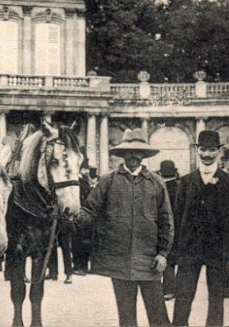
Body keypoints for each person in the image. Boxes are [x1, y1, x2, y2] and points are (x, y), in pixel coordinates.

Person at [76, 128, 173, 327]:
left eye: (138, 152)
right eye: (129, 151)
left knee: (158, 316)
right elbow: (89, 210)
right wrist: (70, 217)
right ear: (123, 153)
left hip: (149, 261)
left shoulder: (156, 183)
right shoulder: (108, 180)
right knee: (126, 317)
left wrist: (163, 253)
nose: (133, 156)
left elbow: (166, 220)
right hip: (119, 263)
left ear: (144, 154)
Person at [172, 131, 229, 327]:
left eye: (212, 150)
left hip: (218, 250)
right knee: (183, 297)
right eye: (203, 149)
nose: (207, 154)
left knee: (216, 299)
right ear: (197, 150)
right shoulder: (186, 181)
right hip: (190, 249)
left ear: (219, 152)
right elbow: (178, 217)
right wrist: (176, 252)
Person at [157, 160, 180, 300]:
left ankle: (169, 289)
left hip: (164, 227)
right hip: (178, 227)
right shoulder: (180, 186)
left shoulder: (160, 187)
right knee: (173, 259)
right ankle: (173, 288)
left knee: (166, 258)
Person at [72, 163, 98, 276]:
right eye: (85, 169)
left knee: (84, 242)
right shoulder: (77, 180)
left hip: (86, 214)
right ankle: (79, 266)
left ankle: (82, 266)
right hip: (79, 212)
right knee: (77, 242)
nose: (87, 171)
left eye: (87, 169)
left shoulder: (85, 180)